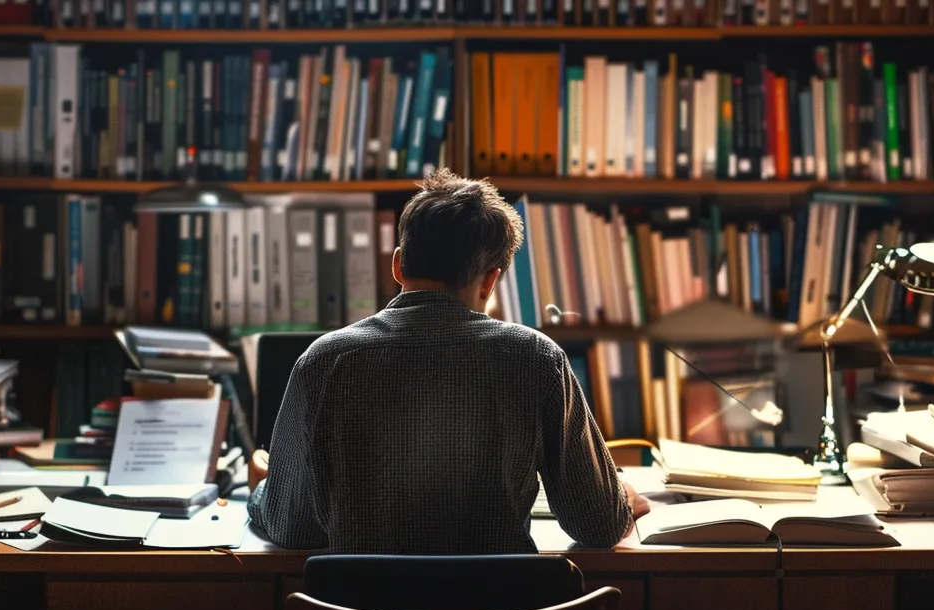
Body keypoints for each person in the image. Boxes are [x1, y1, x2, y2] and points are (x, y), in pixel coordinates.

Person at [247, 170, 650, 554]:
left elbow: (292, 531)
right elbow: (598, 528)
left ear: (399, 264)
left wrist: (266, 489)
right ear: (491, 279)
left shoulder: (324, 361)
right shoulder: (538, 359)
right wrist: (621, 498)